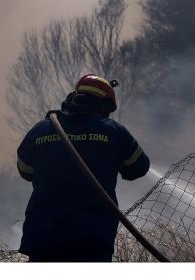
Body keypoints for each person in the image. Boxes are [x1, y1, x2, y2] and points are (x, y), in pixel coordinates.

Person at [16, 74, 150, 262]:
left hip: (42, 237)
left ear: (72, 98)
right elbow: (139, 167)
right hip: (91, 238)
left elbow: (25, 170)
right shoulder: (112, 131)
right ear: (104, 105)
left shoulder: (42, 129)